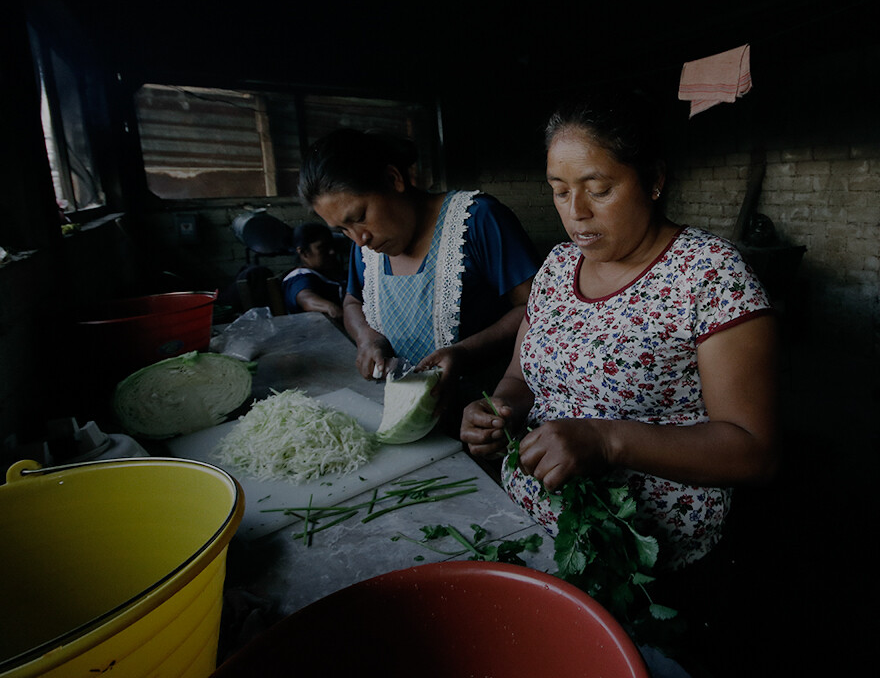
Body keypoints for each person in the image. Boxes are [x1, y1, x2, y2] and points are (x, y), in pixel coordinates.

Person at [459, 95, 780, 574]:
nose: (576, 212)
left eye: (599, 189)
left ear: (653, 180)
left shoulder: (710, 274)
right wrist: (496, 410)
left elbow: (754, 451)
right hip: (531, 529)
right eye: (560, 190)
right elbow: (521, 380)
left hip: (641, 556)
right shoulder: (557, 266)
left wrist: (607, 440)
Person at [299, 129, 541, 419]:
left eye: (359, 216)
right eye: (342, 229)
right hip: (409, 414)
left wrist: (465, 353)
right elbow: (353, 301)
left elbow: (537, 308)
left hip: (490, 410)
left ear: (393, 179)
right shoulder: (365, 245)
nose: (358, 238)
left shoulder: (475, 219)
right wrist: (367, 338)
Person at [282, 222, 346, 320]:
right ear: (304, 253)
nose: (332, 252)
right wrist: (330, 307)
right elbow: (305, 298)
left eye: (331, 246)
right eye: (323, 248)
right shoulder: (300, 277)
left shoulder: (325, 273)